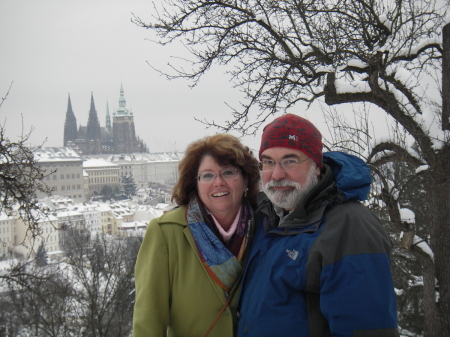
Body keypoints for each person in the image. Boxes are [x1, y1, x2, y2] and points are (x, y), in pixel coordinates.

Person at [237, 114, 399, 337]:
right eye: (268, 161)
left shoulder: (348, 226)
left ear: (317, 167)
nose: (276, 174)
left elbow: (366, 328)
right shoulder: (268, 218)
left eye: (290, 160)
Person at [132, 134, 260, 337]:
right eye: (207, 175)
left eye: (228, 172)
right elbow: (148, 323)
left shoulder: (265, 228)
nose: (218, 182)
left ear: (246, 180)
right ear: (195, 184)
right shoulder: (166, 232)